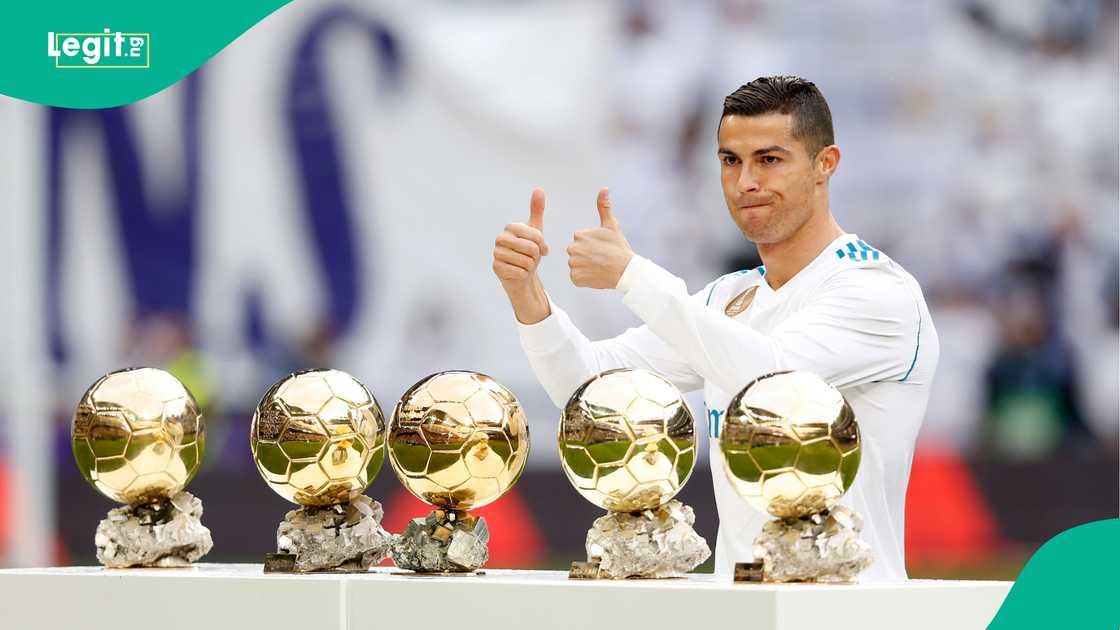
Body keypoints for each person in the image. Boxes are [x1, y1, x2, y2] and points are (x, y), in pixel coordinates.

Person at [490, 75, 939, 582]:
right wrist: (528, 296)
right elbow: (589, 384)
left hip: (846, 611)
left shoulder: (876, 290)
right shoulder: (728, 300)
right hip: (745, 603)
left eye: (769, 160)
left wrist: (632, 276)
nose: (746, 181)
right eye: (731, 161)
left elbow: (774, 382)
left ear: (825, 165)